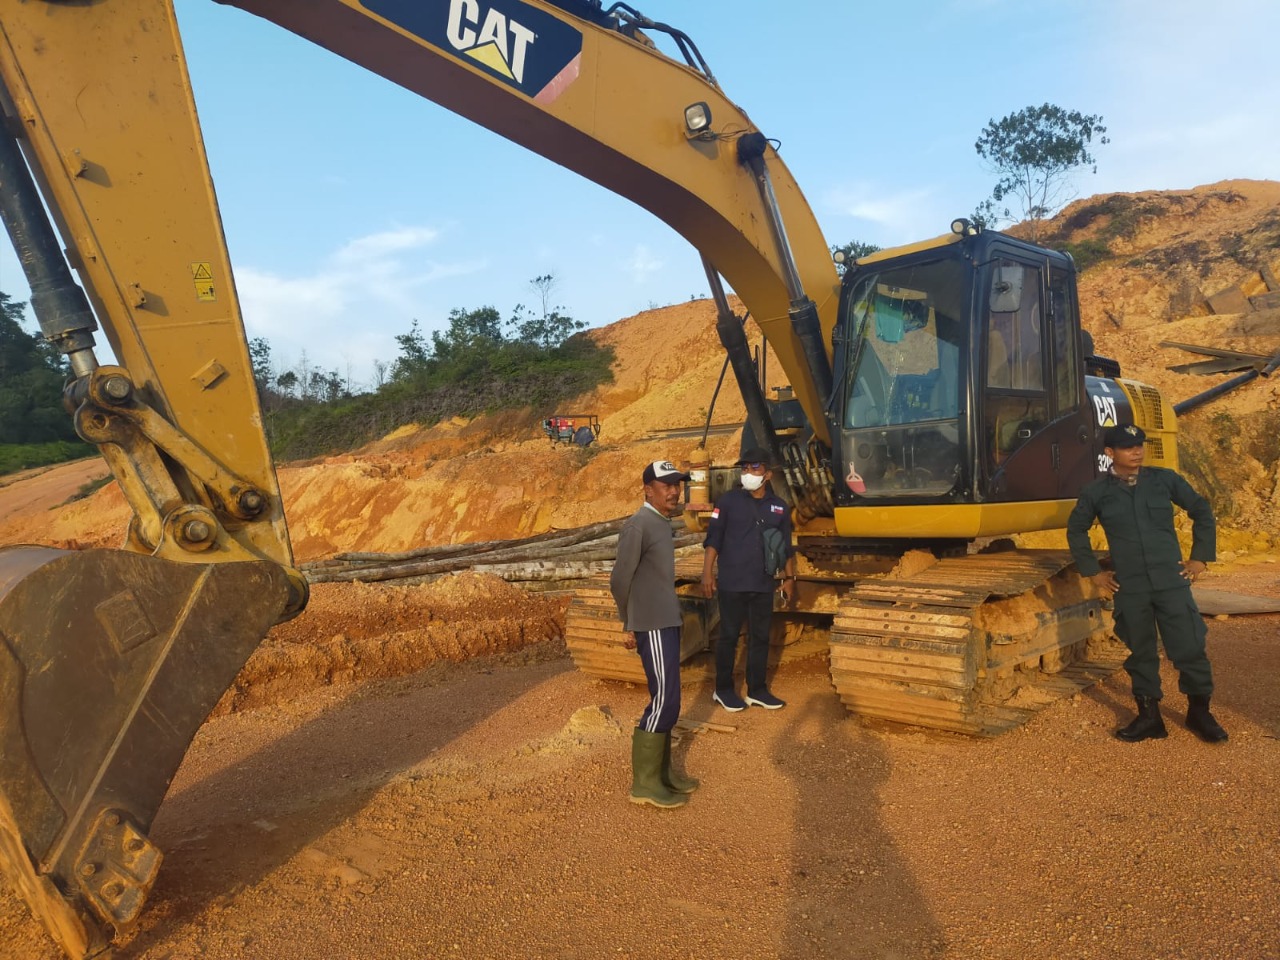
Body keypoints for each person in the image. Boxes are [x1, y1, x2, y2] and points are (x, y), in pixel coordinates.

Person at [1066, 423, 1227, 743]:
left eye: (1140, 445)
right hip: (1131, 586)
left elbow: (1201, 510)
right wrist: (1093, 572)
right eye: (1128, 447)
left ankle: (1199, 713)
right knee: (1140, 652)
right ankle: (1149, 716)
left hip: (1171, 581)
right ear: (1110, 453)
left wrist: (1200, 558)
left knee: (1190, 647)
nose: (1137, 451)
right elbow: (1076, 530)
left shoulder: (1164, 480)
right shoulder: (1095, 492)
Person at [610, 459, 700, 808]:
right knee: (664, 700)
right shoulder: (639, 525)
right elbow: (620, 579)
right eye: (667, 485)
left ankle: (663, 774)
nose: (675, 491)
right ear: (648, 489)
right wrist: (628, 621)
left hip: (666, 619)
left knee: (671, 699)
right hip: (652, 622)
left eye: (677, 484)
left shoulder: (662, 523)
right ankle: (645, 783)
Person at [700, 447, 796, 712]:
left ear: (767, 474)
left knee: (760, 637)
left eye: (754, 468)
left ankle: (757, 690)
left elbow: (786, 546)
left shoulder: (779, 507)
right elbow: (714, 539)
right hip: (732, 582)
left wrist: (789, 579)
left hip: (763, 583)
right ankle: (723, 690)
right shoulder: (727, 501)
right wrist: (707, 572)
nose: (748, 473)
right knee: (729, 637)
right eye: (744, 468)